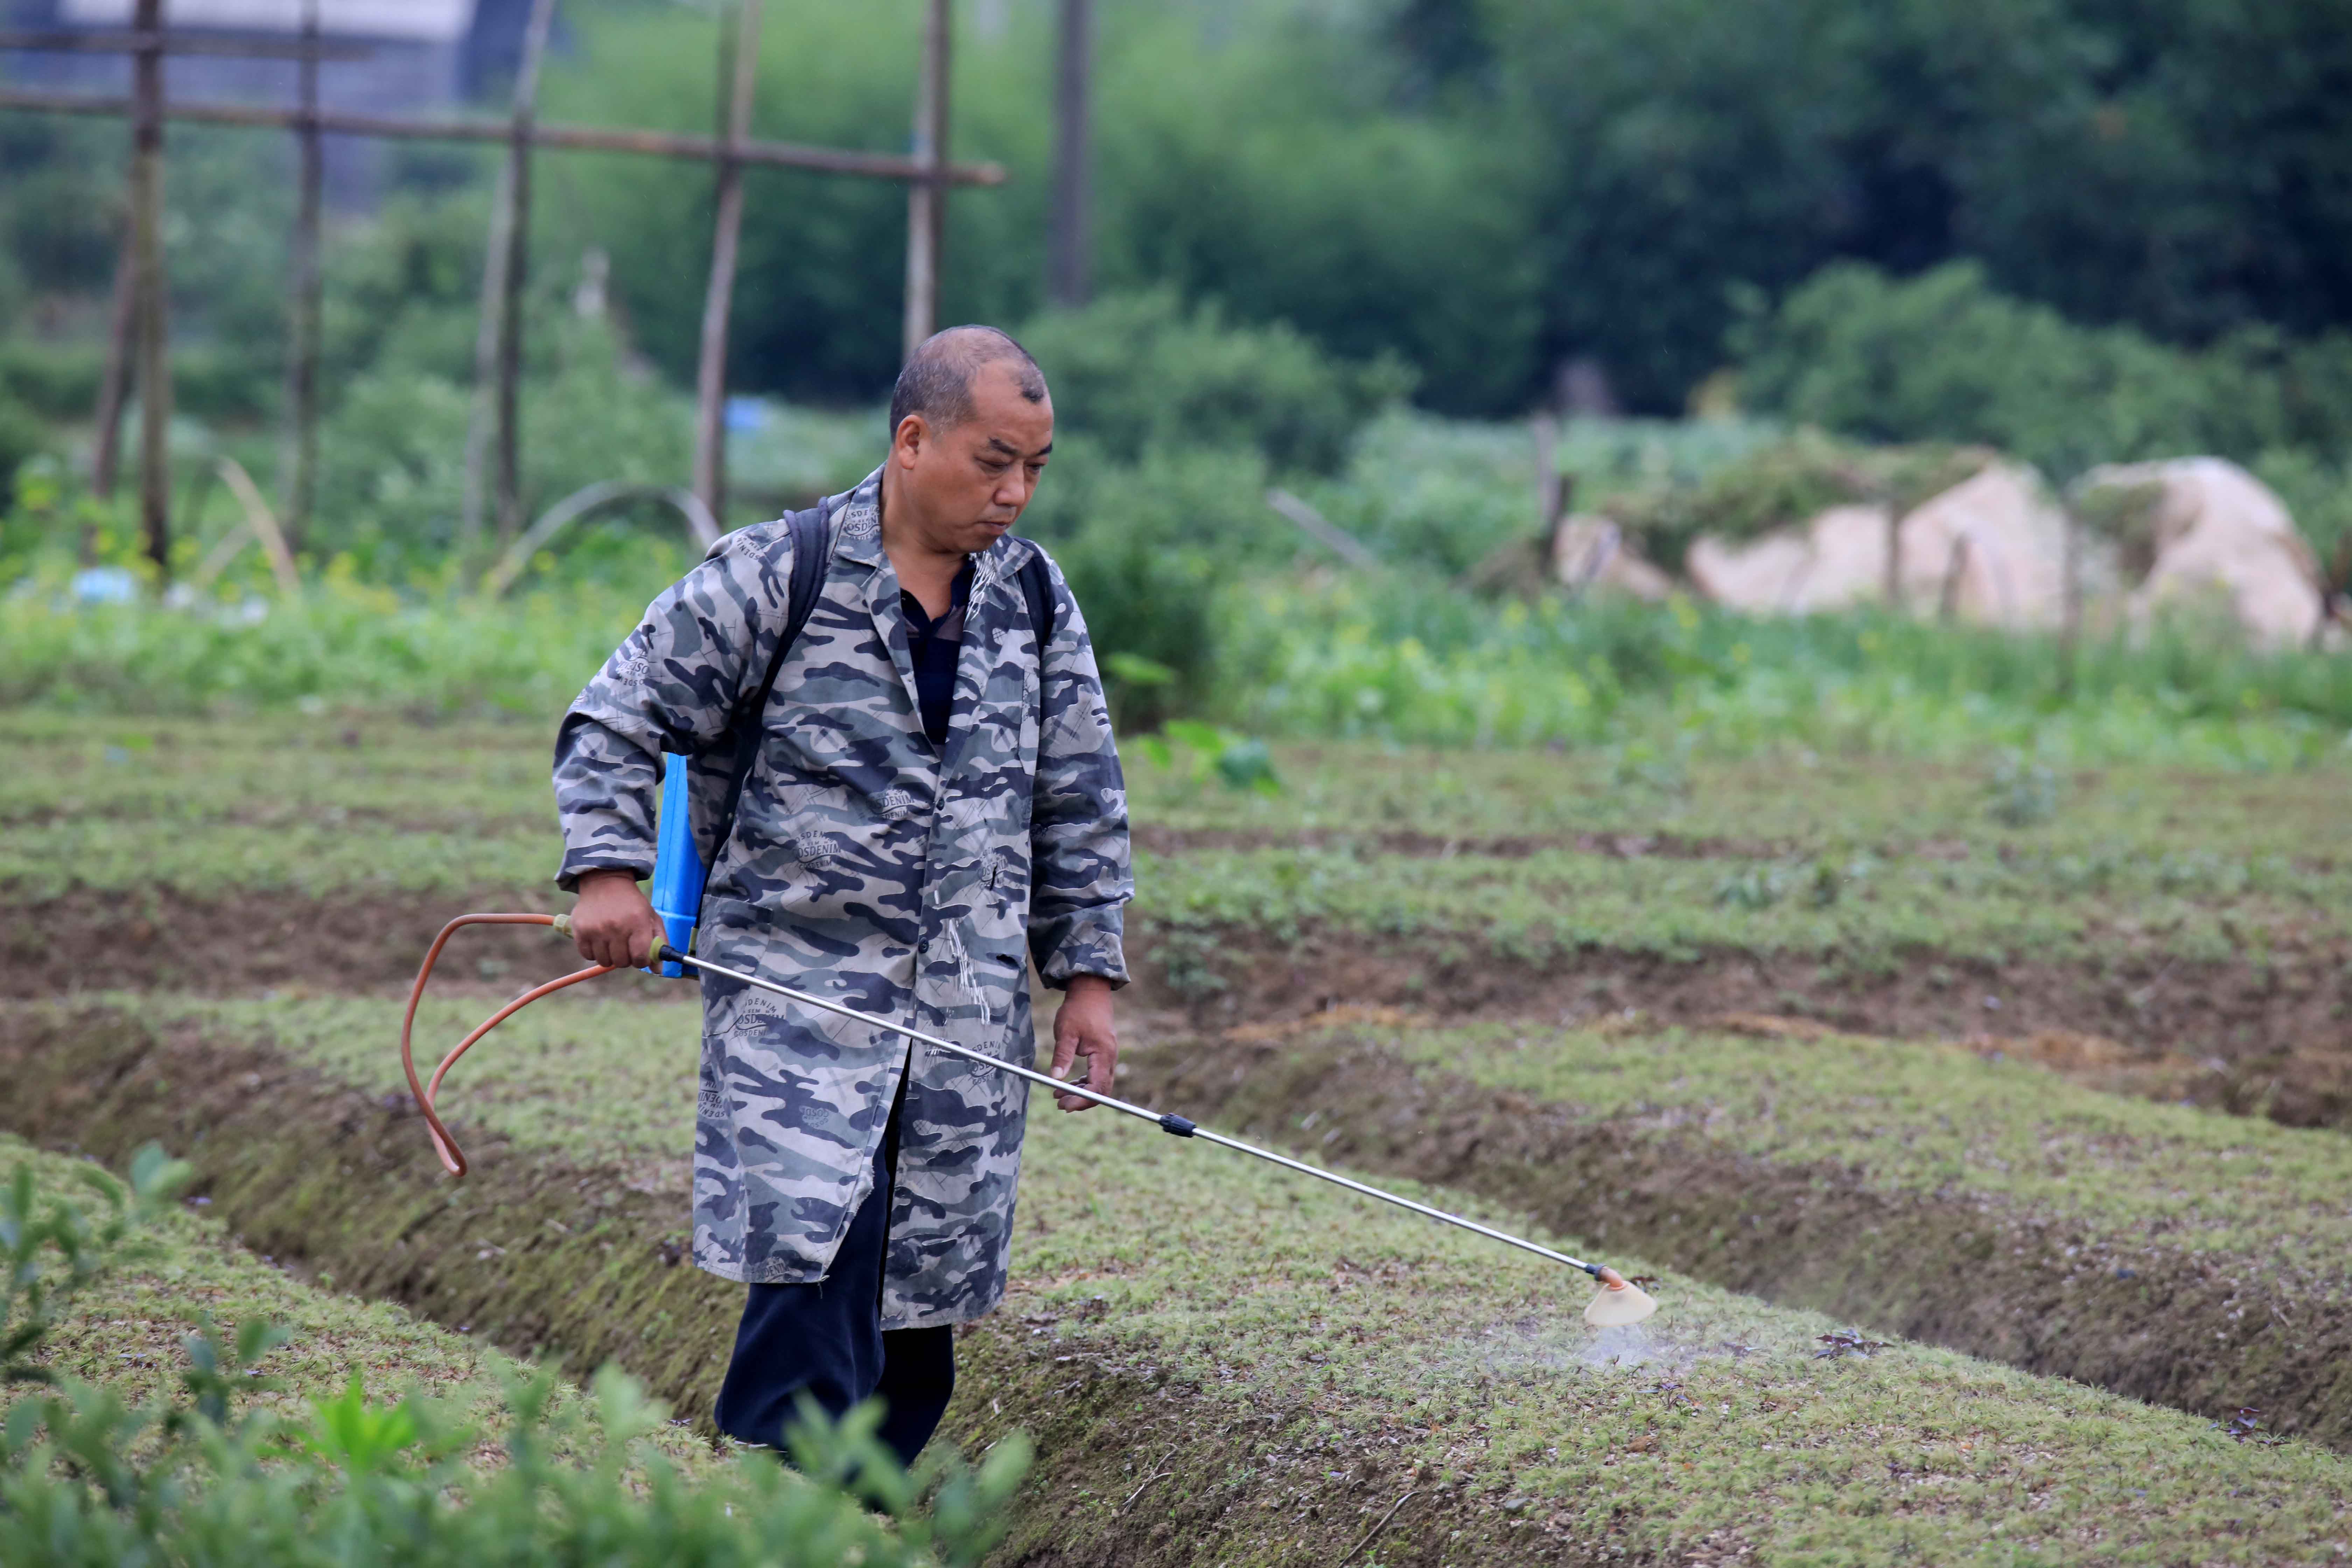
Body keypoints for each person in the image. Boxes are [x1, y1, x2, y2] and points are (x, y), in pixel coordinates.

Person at [552, 326, 1130, 1467]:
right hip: (798, 1009)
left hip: (965, 1023)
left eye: (1037, 468)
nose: (1015, 493)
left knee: (920, 1307)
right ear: (914, 441)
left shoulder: (1034, 601)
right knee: (817, 1269)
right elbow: (618, 715)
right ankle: (771, 1512)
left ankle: (862, 1519)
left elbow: (1080, 795)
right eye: (993, 461)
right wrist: (610, 875)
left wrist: (1089, 981)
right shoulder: (781, 572)